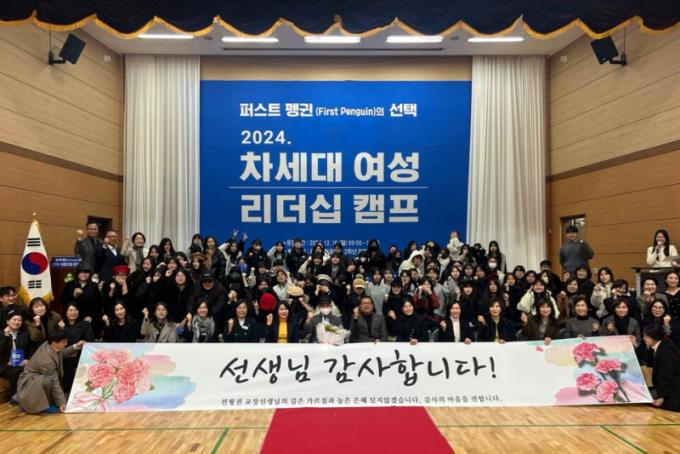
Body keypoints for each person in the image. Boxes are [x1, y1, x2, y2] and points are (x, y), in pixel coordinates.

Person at [13, 329, 85, 414]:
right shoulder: (46, 360)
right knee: (48, 381)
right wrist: (61, 403)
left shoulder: (49, 344)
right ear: (54, 343)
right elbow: (55, 383)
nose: (66, 343)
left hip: (36, 378)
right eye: (63, 342)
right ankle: (42, 405)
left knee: (49, 380)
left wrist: (76, 346)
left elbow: (62, 353)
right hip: (30, 382)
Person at [643, 324, 680, 411]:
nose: (644, 338)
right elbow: (649, 363)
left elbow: (666, 376)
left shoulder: (665, 351)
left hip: (675, 388)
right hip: (668, 387)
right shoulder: (659, 346)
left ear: (654, 337)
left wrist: (662, 397)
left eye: (646, 336)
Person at [61, 262, 103, 337]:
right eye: (81, 272)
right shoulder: (69, 284)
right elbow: (62, 301)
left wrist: (91, 316)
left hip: (88, 318)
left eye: (86, 272)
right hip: (72, 318)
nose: (84, 274)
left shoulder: (94, 286)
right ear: (77, 273)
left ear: (89, 273)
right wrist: (74, 295)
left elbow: (98, 305)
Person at [61, 303, 94, 393]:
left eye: (75, 310)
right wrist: (62, 329)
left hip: (81, 357)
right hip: (66, 358)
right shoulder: (61, 325)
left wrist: (79, 349)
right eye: (70, 310)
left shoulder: (85, 324)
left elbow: (90, 341)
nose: (73, 312)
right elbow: (59, 344)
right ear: (66, 312)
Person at [0, 310, 33, 395]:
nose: (17, 322)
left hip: (20, 364)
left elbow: (31, 350)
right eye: (14, 320)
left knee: (25, 370)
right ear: (8, 321)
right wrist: (5, 336)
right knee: (18, 372)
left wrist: (28, 359)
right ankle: (15, 396)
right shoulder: (1, 334)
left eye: (19, 320)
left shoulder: (25, 334)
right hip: (4, 366)